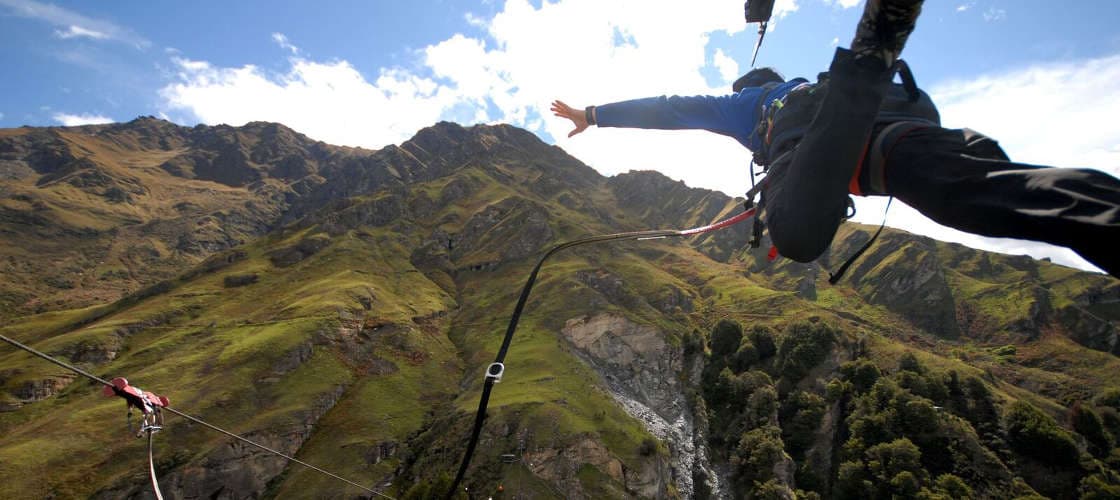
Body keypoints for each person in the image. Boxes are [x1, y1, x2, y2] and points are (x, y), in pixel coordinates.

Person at [551, 0, 1120, 278]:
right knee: (972, 195)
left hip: (824, 144)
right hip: (889, 130)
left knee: (798, 235)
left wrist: (594, 114)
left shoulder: (746, 104)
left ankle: (869, 60)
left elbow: (671, 109)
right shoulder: (802, 85)